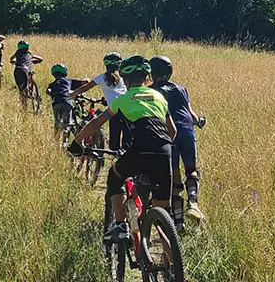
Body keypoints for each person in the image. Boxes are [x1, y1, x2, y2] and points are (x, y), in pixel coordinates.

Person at [69, 56, 175, 244]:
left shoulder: (123, 99)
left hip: (139, 149)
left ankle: (120, 225)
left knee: (115, 175)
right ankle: (171, 258)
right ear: (147, 78)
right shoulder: (159, 97)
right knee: (163, 215)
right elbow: (172, 131)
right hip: (164, 151)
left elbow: (96, 123)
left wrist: (76, 141)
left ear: (125, 80)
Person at [150, 55, 206, 228]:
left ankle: (179, 223)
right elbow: (190, 112)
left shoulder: (151, 91)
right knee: (191, 170)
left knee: (174, 180)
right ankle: (193, 203)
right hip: (187, 130)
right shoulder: (181, 89)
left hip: (169, 133)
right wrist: (199, 121)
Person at [45, 64, 96, 135]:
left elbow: (47, 91)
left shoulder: (52, 84)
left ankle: (56, 139)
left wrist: (54, 94)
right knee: (67, 123)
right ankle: (65, 138)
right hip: (66, 102)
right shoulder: (68, 81)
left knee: (57, 123)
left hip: (56, 103)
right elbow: (85, 82)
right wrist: (86, 79)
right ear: (64, 72)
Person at [93, 52, 128, 151]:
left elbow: (85, 87)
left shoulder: (102, 77)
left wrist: (72, 94)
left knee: (114, 143)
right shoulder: (124, 77)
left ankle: (116, 156)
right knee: (127, 141)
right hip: (127, 109)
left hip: (114, 111)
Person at [9, 40, 43, 109]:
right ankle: (36, 96)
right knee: (27, 83)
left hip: (17, 70)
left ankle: (24, 107)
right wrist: (33, 60)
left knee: (21, 89)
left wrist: (13, 61)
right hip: (26, 70)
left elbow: (11, 58)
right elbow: (40, 58)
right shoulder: (29, 54)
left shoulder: (17, 53)